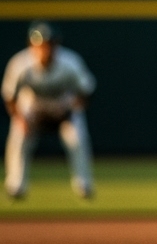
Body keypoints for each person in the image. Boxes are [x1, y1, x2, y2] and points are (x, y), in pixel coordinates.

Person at [4, 21, 97, 200]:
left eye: (49, 44)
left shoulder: (70, 62)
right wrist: (20, 118)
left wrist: (74, 107)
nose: (45, 49)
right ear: (31, 46)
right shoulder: (20, 64)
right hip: (32, 107)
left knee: (76, 138)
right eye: (40, 45)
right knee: (19, 137)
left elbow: (87, 90)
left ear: (56, 45)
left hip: (62, 107)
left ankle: (83, 185)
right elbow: (10, 96)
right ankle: (16, 185)